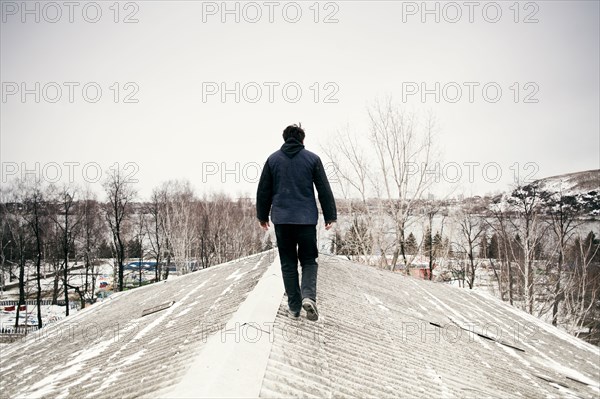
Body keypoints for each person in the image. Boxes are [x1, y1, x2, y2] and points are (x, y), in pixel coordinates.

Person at [256, 124, 337, 321]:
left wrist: (262, 216)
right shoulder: (312, 159)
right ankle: (308, 296)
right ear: (302, 140)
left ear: (284, 139)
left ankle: (294, 307)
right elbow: (323, 189)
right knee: (309, 260)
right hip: (306, 221)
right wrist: (330, 216)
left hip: (282, 221)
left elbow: (263, 190)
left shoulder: (272, 160)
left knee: (288, 263)